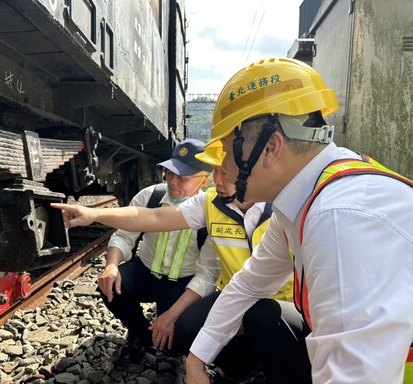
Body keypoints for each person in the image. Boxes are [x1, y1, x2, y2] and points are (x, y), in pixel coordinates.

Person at [180, 57, 413, 384]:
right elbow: (249, 283)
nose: (223, 171)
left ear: (270, 148)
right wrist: (196, 358)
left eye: (226, 156)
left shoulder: (339, 219)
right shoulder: (304, 201)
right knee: (263, 315)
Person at [52, 141, 294, 380]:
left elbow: (207, 274)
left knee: (258, 322)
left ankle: (266, 363)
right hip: (231, 292)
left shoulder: (283, 208)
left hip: (278, 302)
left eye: (225, 172)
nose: (217, 179)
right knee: (188, 330)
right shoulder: (210, 204)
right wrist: (93, 214)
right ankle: (237, 369)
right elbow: (153, 217)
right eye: (215, 171)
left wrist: (173, 317)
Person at [78, 138, 218, 367]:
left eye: (183, 177)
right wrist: (111, 265)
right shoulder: (150, 196)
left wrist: (171, 316)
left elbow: (207, 276)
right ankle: (139, 332)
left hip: (182, 283)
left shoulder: (211, 213)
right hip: (146, 271)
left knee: (176, 342)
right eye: (169, 172)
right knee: (110, 285)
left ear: (203, 181)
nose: (172, 181)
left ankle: (167, 334)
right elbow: (124, 235)